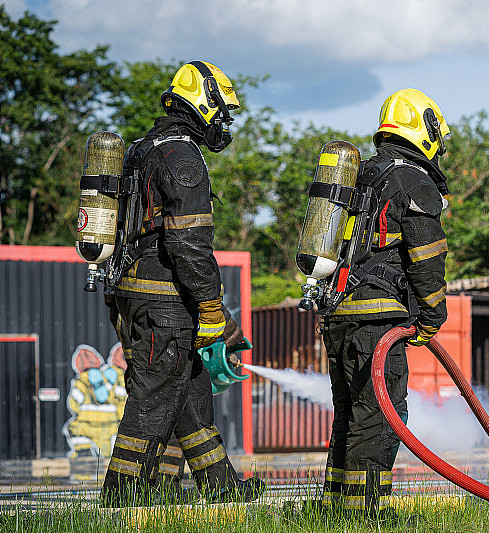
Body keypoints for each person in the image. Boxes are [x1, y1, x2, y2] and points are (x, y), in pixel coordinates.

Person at [100, 61, 264, 506]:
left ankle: (221, 489)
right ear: (203, 104)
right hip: (165, 302)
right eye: (222, 111)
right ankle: (123, 499)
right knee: (154, 400)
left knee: (189, 395)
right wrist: (212, 309)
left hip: (136, 296)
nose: (223, 123)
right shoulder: (182, 156)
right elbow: (189, 245)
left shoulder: (143, 149)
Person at [318, 88, 450, 522]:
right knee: (379, 417)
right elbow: (426, 257)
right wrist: (432, 315)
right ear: (425, 129)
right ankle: (366, 516)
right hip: (378, 320)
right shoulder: (413, 179)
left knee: (350, 415)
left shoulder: (360, 174)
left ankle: (334, 511)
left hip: (337, 312)